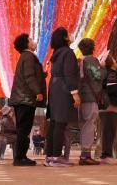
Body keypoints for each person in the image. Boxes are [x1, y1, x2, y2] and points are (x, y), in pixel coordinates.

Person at [44, 27, 80, 167]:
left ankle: (50, 156)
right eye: (68, 34)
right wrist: (75, 94)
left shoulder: (57, 53)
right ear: (65, 38)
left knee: (54, 123)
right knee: (60, 123)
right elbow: (69, 74)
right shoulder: (68, 53)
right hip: (63, 89)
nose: (71, 35)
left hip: (54, 88)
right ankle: (56, 157)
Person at [9, 33, 46, 166]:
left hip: (21, 98)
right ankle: (20, 158)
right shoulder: (29, 56)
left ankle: (20, 156)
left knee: (22, 128)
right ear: (26, 44)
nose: (33, 41)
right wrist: (38, 91)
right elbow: (29, 76)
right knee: (24, 129)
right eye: (30, 39)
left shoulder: (25, 57)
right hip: (25, 99)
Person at [77, 38, 104, 165]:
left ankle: (84, 154)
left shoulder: (80, 61)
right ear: (92, 48)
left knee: (84, 125)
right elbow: (98, 76)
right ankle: (85, 155)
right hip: (90, 97)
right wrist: (102, 67)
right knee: (90, 124)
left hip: (81, 97)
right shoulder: (92, 60)